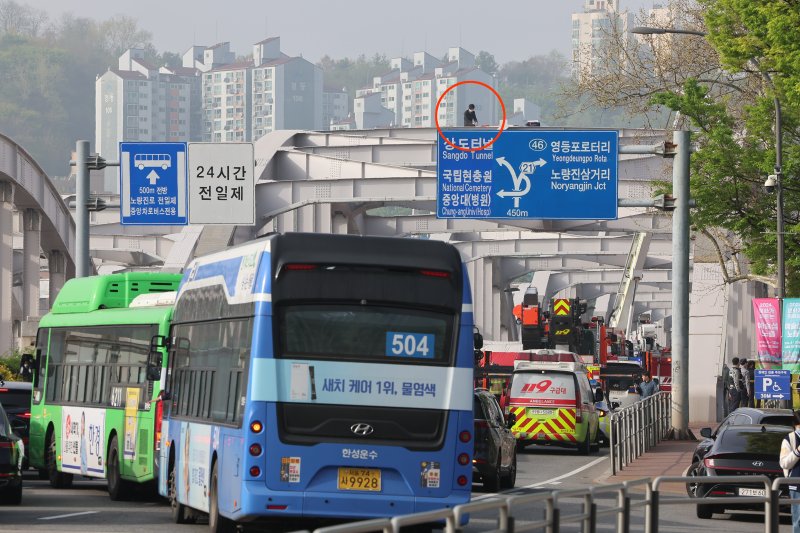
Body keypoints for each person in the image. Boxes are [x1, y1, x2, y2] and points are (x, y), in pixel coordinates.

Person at [779, 409, 800, 532]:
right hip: (797, 485)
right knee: (798, 520)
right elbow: (784, 463)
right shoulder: (789, 439)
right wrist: (797, 452)